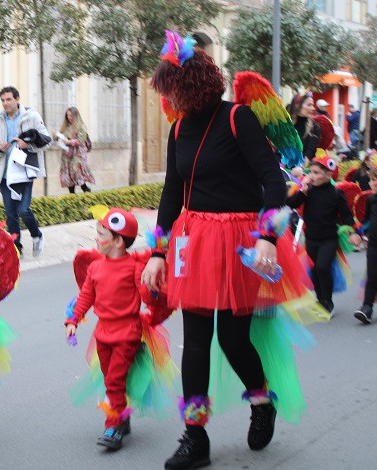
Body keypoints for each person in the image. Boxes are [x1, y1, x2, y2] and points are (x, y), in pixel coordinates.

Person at [141, 33, 301, 469]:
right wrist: (157, 251)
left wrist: (268, 237)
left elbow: (273, 181)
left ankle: (262, 399)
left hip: (239, 244)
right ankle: (195, 437)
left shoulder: (238, 119)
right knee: (195, 342)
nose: (167, 96)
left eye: (171, 86)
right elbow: (172, 194)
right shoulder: (178, 130)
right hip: (193, 241)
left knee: (232, 339)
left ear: (191, 82)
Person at [65, 208, 170, 451]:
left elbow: (147, 295)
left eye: (101, 234)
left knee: (114, 378)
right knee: (109, 375)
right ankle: (122, 415)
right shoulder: (95, 268)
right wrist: (73, 319)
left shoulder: (133, 267)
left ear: (118, 241)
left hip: (128, 333)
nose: (96, 238)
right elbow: (86, 296)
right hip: (103, 333)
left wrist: (150, 288)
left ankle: (113, 425)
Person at [286, 154, 361, 315]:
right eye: (311, 172)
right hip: (311, 238)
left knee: (322, 267)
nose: (312, 176)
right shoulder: (308, 191)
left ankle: (328, 302)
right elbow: (291, 204)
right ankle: (320, 300)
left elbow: (346, 215)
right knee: (314, 270)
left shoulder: (336, 193)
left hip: (329, 238)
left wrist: (353, 232)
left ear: (328, 174)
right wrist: (303, 191)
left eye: (317, 173)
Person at [0, 86, 50, 257]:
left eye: (8, 99)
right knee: (10, 213)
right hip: (5, 174)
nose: (5, 103)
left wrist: (28, 145)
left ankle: (37, 235)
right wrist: (0, 149)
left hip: (24, 172)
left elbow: (46, 141)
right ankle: (17, 248)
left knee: (23, 210)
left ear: (17, 99)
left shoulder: (31, 116)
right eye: (2, 100)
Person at [355, 157, 377, 323]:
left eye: (375, 180)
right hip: (374, 245)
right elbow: (367, 221)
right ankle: (367, 307)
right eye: (371, 180)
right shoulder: (371, 200)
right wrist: (360, 233)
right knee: (372, 275)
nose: (372, 183)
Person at [53, 106, 95, 193]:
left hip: (77, 154)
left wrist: (69, 142)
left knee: (77, 171)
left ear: (76, 116)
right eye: (68, 116)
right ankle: (72, 195)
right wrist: (56, 136)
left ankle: (86, 190)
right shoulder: (66, 127)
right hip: (67, 154)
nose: (69, 118)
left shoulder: (81, 127)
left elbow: (80, 140)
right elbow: (61, 137)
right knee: (68, 173)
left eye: (71, 116)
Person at [287, 92, 321, 160]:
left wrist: (301, 167)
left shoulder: (314, 127)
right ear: (297, 105)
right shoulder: (286, 126)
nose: (313, 108)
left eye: (312, 105)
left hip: (304, 167)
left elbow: (311, 150)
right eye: (309, 105)